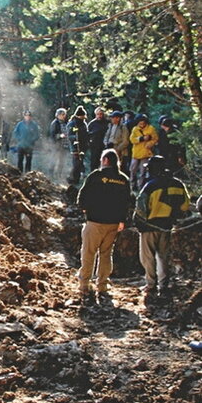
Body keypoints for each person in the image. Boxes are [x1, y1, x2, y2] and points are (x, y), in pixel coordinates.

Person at [76, 149, 131, 301]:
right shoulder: (124, 179)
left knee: (88, 253)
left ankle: (84, 285)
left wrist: (85, 209)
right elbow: (128, 202)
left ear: (106, 160)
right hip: (113, 223)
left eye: (102, 159)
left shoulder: (96, 176)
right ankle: (102, 286)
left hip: (95, 221)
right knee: (106, 254)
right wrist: (122, 220)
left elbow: (82, 195)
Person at [134, 156, 190, 300]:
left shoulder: (150, 185)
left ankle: (151, 284)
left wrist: (139, 222)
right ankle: (163, 285)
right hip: (167, 227)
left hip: (149, 226)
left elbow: (140, 207)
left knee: (147, 257)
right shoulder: (178, 184)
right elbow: (185, 206)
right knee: (163, 257)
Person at [129, 113, 158, 191]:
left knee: (143, 172)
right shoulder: (135, 129)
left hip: (146, 153)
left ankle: (141, 187)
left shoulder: (151, 129)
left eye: (143, 123)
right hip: (136, 153)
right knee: (132, 170)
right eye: (140, 123)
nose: (141, 124)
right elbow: (132, 140)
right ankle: (132, 186)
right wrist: (141, 139)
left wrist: (150, 143)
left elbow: (155, 139)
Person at [67, 106, 89, 185]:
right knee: (76, 164)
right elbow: (70, 135)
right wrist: (76, 139)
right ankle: (72, 179)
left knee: (80, 163)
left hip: (83, 147)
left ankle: (77, 178)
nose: (83, 118)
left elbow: (86, 134)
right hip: (75, 147)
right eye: (81, 116)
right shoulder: (72, 124)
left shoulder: (84, 124)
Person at [49, 108, 69, 179]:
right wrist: (60, 136)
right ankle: (51, 174)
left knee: (62, 161)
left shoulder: (66, 123)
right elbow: (52, 135)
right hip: (56, 145)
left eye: (64, 114)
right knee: (53, 160)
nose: (63, 116)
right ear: (57, 115)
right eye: (61, 114)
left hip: (64, 145)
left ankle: (59, 174)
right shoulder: (54, 123)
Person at [87, 107, 109, 171]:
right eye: (98, 114)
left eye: (101, 114)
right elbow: (87, 134)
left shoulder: (107, 122)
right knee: (94, 162)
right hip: (94, 145)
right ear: (95, 114)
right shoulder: (92, 123)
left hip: (105, 145)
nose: (99, 116)